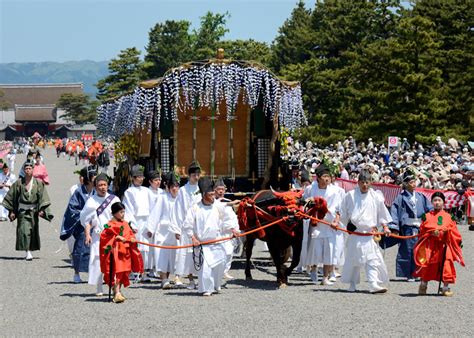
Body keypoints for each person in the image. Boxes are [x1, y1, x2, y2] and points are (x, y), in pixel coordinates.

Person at [183, 177, 240, 296]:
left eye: (213, 194)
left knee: (220, 265)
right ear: (204, 194)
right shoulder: (195, 208)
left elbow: (226, 219)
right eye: (210, 194)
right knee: (206, 269)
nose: (213, 196)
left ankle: (215, 285)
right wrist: (193, 238)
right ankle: (206, 289)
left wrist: (232, 229)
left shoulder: (218, 206)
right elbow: (187, 225)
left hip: (217, 242)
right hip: (203, 244)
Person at [338, 170, 392, 293]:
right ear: (358, 182)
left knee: (372, 259)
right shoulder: (350, 195)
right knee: (353, 259)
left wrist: (385, 227)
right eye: (362, 182)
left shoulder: (376, 196)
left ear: (371, 183)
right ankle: (352, 284)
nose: (365, 185)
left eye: (367, 182)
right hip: (355, 232)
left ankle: (373, 284)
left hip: (369, 233)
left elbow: (381, 213)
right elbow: (342, 211)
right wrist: (342, 223)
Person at [414, 192, 464, 296]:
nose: (437, 203)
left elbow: (454, 231)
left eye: (439, 200)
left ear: (443, 202)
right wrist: (431, 232)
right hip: (430, 245)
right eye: (435, 200)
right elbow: (422, 231)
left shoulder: (449, 216)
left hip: (444, 245)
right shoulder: (426, 216)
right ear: (432, 202)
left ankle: (445, 288)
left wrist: (447, 232)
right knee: (426, 265)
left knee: (447, 264)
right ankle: (423, 286)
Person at [2, 160, 53, 260]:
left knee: (32, 231)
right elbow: (11, 196)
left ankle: (30, 249)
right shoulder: (18, 183)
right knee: (24, 231)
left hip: (33, 211)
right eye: (26, 169)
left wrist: (42, 209)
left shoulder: (38, 183)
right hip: (22, 211)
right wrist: (12, 211)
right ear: (24, 170)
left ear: (33, 170)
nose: (28, 170)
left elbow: (43, 197)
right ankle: (27, 251)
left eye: (30, 168)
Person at [80, 173, 120, 296]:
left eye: (104, 185)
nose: (102, 187)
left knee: (114, 261)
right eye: (100, 185)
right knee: (98, 261)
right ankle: (99, 287)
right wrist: (88, 234)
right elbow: (87, 220)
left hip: (113, 236)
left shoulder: (114, 199)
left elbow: (121, 216)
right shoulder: (91, 201)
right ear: (95, 187)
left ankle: (115, 286)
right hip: (98, 236)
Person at [304, 163, 344, 285]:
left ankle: (326, 276)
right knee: (315, 249)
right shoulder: (311, 188)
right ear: (318, 178)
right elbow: (304, 203)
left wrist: (336, 221)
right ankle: (314, 269)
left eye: (328, 176)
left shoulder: (336, 191)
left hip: (330, 223)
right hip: (316, 223)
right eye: (324, 176)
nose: (327, 179)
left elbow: (339, 208)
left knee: (330, 250)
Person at [389, 170, 432, 281]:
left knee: (420, 250)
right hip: (407, 227)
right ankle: (408, 274)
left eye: (414, 182)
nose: (413, 184)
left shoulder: (421, 196)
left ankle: (419, 273)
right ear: (406, 184)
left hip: (420, 227)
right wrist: (394, 227)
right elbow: (394, 211)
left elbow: (430, 209)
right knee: (407, 251)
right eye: (411, 182)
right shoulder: (400, 197)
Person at [100, 202, 143, 303]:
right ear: (114, 213)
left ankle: (118, 291)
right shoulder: (109, 225)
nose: (123, 214)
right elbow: (104, 237)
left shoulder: (125, 224)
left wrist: (132, 238)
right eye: (120, 212)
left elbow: (130, 234)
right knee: (116, 271)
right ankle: (116, 292)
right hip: (115, 253)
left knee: (123, 272)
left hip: (125, 252)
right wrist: (116, 237)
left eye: (124, 212)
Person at [59, 166, 97, 283]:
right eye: (94, 176)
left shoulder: (97, 191)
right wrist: (85, 217)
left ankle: (95, 273)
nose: (96, 178)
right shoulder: (79, 192)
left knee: (96, 249)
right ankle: (76, 273)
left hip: (96, 225)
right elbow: (72, 209)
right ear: (88, 178)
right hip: (82, 225)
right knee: (80, 248)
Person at [146, 171, 180, 289]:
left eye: (176, 186)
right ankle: (164, 278)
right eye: (172, 187)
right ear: (168, 187)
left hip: (175, 231)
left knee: (173, 255)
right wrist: (151, 228)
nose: (175, 189)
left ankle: (170, 276)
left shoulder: (181, 199)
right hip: (163, 230)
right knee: (161, 254)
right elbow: (156, 213)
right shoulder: (163, 198)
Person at [173, 161, 202, 289]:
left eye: (198, 174)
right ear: (189, 176)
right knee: (188, 253)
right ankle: (189, 279)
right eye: (194, 175)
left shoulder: (202, 188)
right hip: (186, 225)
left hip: (200, 225)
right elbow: (178, 210)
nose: (196, 177)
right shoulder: (183, 191)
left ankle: (202, 279)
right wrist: (177, 228)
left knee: (200, 252)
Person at [122, 165, 153, 281]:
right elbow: (128, 210)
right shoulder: (129, 192)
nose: (140, 179)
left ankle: (144, 272)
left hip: (146, 221)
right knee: (135, 247)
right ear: (133, 178)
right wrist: (132, 225)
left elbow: (152, 208)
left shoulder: (147, 191)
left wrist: (151, 225)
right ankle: (133, 271)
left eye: (141, 176)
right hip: (136, 221)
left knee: (146, 248)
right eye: (138, 177)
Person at [213, 178, 239, 280]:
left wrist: (236, 228)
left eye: (222, 189)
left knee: (229, 252)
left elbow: (233, 217)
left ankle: (225, 271)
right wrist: (231, 228)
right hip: (220, 232)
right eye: (218, 189)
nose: (220, 191)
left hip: (230, 233)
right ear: (214, 190)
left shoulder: (228, 201)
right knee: (221, 253)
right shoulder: (213, 202)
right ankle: (218, 272)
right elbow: (222, 219)